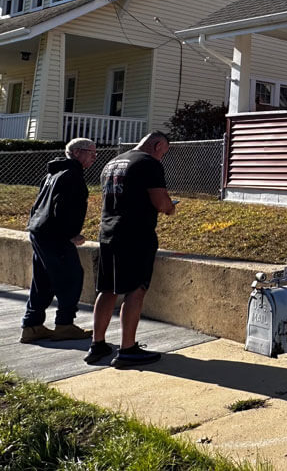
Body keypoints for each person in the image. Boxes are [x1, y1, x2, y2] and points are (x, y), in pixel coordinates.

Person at [85, 131, 175, 367]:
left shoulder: (113, 162)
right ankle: (127, 350)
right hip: (136, 235)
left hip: (108, 233)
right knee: (135, 290)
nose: (162, 157)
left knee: (107, 289)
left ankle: (97, 344)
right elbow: (161, 201)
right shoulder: (148, 163)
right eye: (163, 153)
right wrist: (170, 208)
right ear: (157, 146)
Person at [20, 138, 98, 344]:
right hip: (55, 235)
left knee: (42, 280)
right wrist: (70, 234)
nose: (94, 157)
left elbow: (38, 205)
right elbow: (63, 208)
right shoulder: (72, 175)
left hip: (39, 231)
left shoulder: (53, 173)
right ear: (77, 153)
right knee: (71, 276)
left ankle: (32, 326)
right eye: (91, 152)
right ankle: (64, 325)